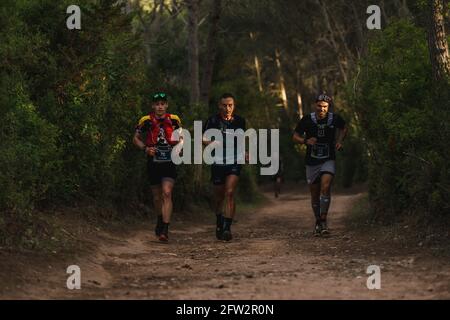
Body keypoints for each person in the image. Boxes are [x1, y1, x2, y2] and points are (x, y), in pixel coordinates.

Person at [293, 93, 347, 236]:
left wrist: (340, 141)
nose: (321, 109)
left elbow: (344, 127)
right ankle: (317, 221)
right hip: (312, 161)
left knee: (326, 186)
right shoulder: (307, 120)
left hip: (328, 158)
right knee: (314, 193)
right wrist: (305, 141)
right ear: (314, 105)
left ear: (328, 107)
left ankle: (323, 220)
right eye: (319, 106)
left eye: (325, 107)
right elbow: (295, 136)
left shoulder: (334, 119)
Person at [133, 92, 183, 242]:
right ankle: (160, 219)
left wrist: (179, 148)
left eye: (162, 103)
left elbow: (181, 138)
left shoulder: (174, 119)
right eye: (157, 104)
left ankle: (165, 230)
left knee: (167, 193)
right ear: (153, 106)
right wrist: (145, 148)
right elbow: (135, 138)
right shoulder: (145, 120)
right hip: (153, 161)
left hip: (169, 161)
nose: (160, 106)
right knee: (156, 196)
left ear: (166, 105)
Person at [202, 93, 247, 241]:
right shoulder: (213, 120)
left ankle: (227, 227)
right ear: (219, 106)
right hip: (218, 161)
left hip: (235, 160)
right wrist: (212, 143)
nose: (228, 108)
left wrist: (245, 152)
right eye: (225, 105)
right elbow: (203, 138)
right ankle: (219, 219)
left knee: (229, 192)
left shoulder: (240, 121)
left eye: (230, 105)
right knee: (219, 197)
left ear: (234, 106)